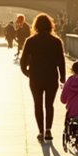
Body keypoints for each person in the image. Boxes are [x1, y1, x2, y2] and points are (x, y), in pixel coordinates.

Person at [19, 13, 66, 142]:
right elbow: (61, 61)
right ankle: (48, 130)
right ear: (50, 25)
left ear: (36, 26)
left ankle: (40, 131)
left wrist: (27, 73)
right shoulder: (56, 41)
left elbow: (23, 61)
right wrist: (62, 76)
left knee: (38, 104)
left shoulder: (30, 41)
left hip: (36, 77)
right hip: (51, 76)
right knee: (49, 105)